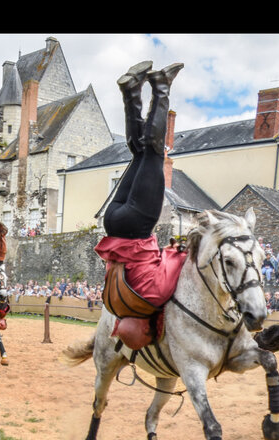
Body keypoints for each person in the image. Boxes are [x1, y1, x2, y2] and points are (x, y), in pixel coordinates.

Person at [93, 61, 187, 309]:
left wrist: (181, 252)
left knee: (155, 153)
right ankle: (131, 91)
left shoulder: (154, 296)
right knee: (140, 153)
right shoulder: (132, 291)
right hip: (112, 220)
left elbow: (172, 263)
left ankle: (161, 87)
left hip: (135, 225)